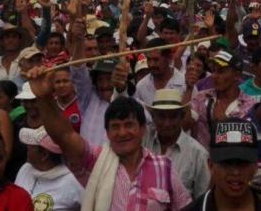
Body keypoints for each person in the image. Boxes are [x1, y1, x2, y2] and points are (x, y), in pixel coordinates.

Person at [27, 66, 191, 210]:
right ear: (106, 133)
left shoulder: (164, 167)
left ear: (142, 130)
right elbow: (64, 136)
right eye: (115, 127)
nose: (122, 133)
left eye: (129, 125)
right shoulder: (95, 161)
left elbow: (184, 207)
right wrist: (44, 98)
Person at [185, 118, 261, 210]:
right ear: (211, 166)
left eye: (242, 163)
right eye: (226, 163)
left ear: (255, 166)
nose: (235, 172)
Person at [144, 89, 211, 199]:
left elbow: (203, 199)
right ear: (153, 117)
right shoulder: (143, 141)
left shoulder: (198, 154)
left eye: (173, 116)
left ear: (182, 117)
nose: (167, 123)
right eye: (161, 116)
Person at [187, 51, 257, 147]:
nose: (214, 76)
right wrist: (189, 88)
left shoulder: (250, 105)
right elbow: (184, 125)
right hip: (201, 160)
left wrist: (225, 124)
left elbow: (248, 143)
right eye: (213, 70)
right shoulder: (201, 97)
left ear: (236, 75)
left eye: (221, 71)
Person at [15, 126, 84, 210]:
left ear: (44, 155)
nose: (27, 147)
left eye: (31, 145)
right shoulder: (25, 169)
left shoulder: (74, 181)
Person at [134, 38, 186, 108]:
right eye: (149, 59)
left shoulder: (184, 84)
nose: (151, 64)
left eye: (156, 59)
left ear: (169, 58)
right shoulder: (141, 86)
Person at [53, 67, 83, 133]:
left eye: (65, 81)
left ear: (73, 82)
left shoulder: (83, 104)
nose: (61, 85)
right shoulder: (50, 106)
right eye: (57, 82)